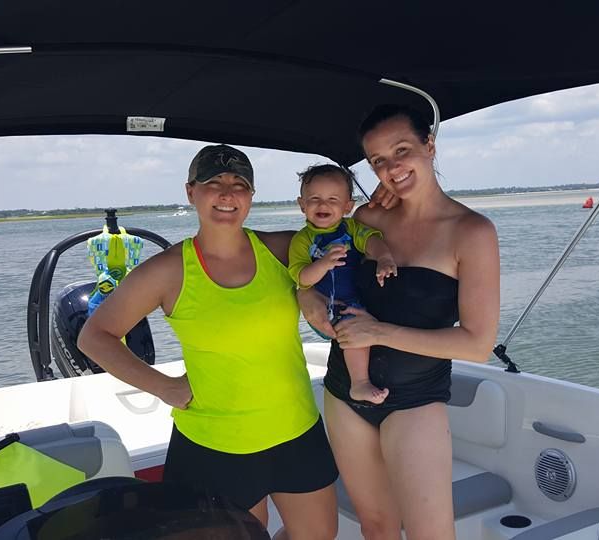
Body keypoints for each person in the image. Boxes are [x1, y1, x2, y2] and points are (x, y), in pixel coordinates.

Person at [77, 144, 338, 540]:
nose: (227, 193)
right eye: (214, 182)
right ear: (191, 192)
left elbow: (350, 231)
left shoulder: (283, 250)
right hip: (215, 445)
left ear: (251, 196)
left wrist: (305, 290)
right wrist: (164, 387)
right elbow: (95, 336)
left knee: (319, 535)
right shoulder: (167, 271)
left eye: (239, 184)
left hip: (296, 431)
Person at [299, 104, 500, 539]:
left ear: (429, 145)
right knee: (376, 527)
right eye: (378, 161)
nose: (392, 168)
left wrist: (379, 332)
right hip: (343, 390)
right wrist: (304, 294)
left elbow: (476, 344)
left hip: (416, 401)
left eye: (402, 150)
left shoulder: (471, 232)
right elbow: (313, 258)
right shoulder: (368, 219)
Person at [289, 164, 397, 404]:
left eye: (332, 199)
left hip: (354, 300)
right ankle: (359, 384)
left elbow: (371, 241)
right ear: (302, 204)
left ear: (348, 206)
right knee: (353, 327)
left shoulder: (351, 229)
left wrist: (384, 258)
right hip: (327, 308)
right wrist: (323, 263)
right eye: (314, 199)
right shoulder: (302, 240)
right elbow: (301, 278)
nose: (323, 205)